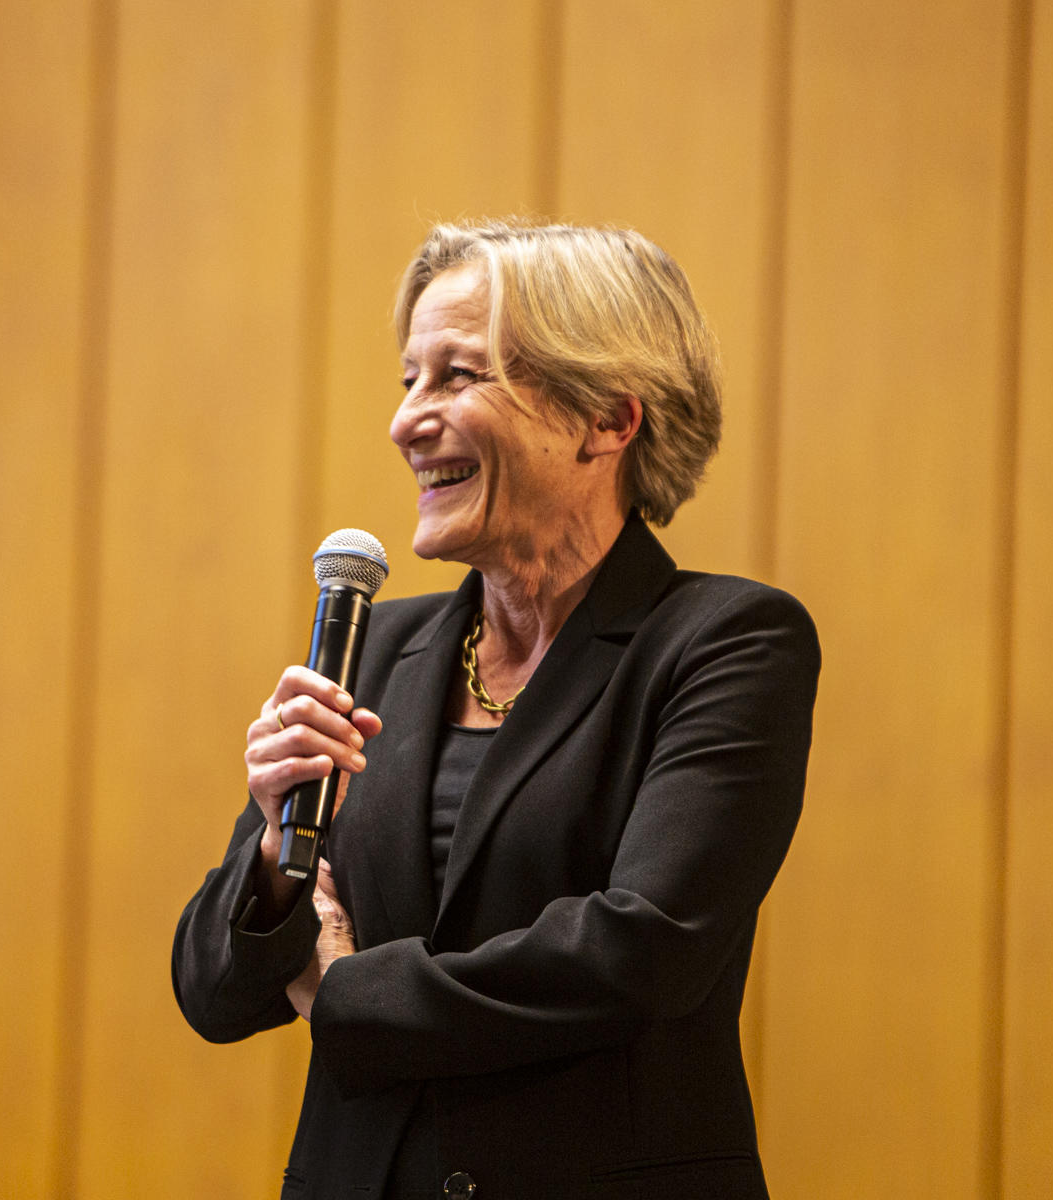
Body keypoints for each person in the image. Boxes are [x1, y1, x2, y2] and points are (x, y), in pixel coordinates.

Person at [173, 218, 819, 1199]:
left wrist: (350, 993)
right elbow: (213, 992)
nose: (406, 421)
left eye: (458, 376)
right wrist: (272, 851)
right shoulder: (377, 649)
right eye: (408, 381)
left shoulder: (724, 643)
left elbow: (636, 953)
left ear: (607, 418)